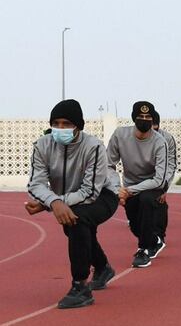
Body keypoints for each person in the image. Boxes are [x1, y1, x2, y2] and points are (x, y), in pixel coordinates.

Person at [26, 99, 118, 308]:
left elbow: (90, 191)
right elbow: (35, 184)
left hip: (103, 196)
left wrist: (51, 204)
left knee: (76, 220)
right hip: (66, 199)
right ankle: (103, 267)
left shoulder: (93, 146)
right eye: (55, 123)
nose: (60, 128)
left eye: (66, 124)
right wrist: (54, 201)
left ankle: (80, 286)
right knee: (75, 225)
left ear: (78, 125)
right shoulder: (42, 145)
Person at [107, 101, 168, 268]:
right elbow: (108, 164)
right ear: (134, 118)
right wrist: (117, 188)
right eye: (140, 116)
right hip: (128, 185)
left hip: (151, 186)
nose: (144, 119)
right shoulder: (120, 135)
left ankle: (144, 251)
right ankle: (154, 240)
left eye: (148, 117)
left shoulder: (159, 142)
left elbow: (159, 179)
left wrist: (129, 191)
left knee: (146, 201)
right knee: (135, 226)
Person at [152, 110, 177, 242]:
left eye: (156, 128)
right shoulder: (133, 138)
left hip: (160, 176)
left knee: (160, 202)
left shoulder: (167, 139)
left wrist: (164, 186)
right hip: (139, 177)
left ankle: (159, 237)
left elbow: (171, 163)